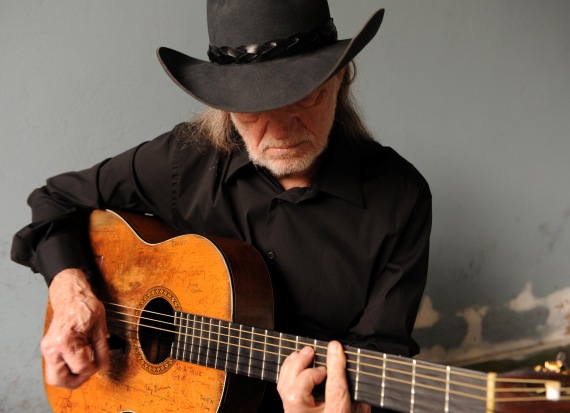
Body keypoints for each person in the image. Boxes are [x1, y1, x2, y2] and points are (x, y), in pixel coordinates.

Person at [11, 1, 431, 412]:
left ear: (340, 78)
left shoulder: (400, 197)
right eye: (253, 109)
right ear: (224, 104)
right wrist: (72, 294)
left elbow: (382, 362)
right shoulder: (186, 160)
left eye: (305, 97)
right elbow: (55, 199)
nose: (281, 131)